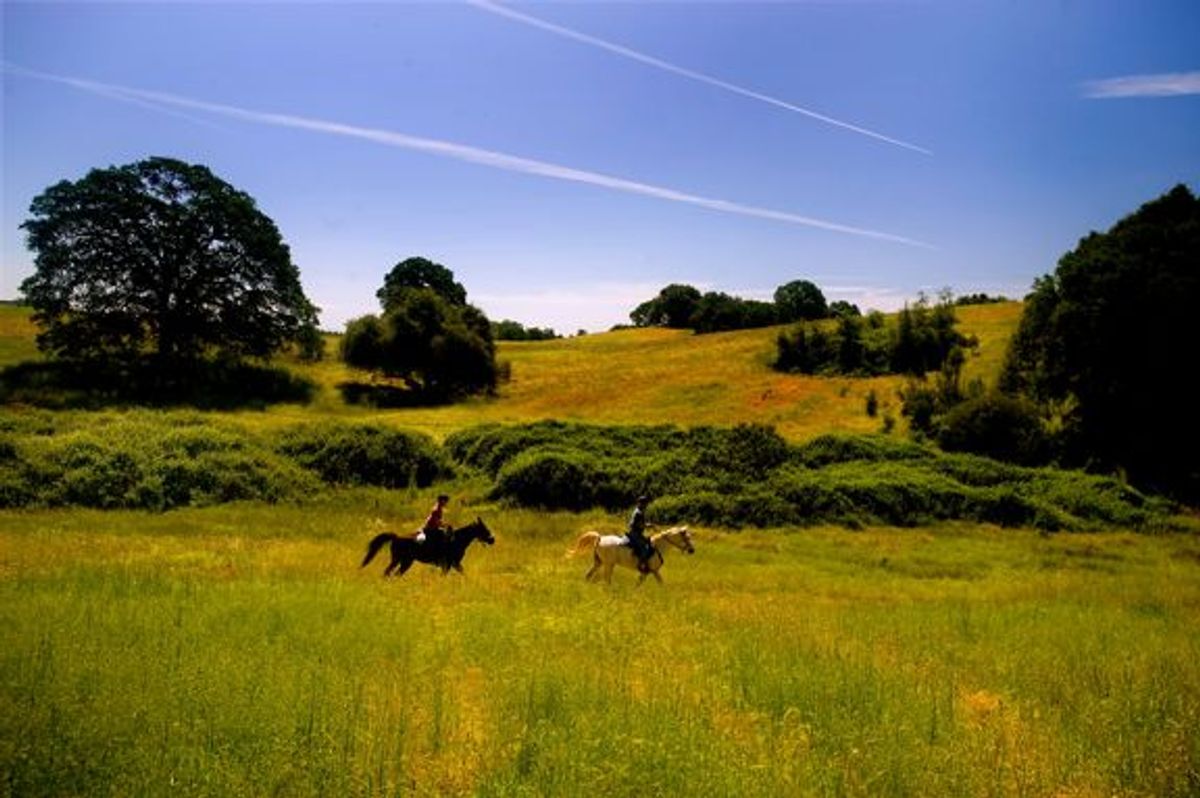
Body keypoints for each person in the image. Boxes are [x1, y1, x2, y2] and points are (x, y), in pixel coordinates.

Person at [416, 494, 451, 560]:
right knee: (443, 536)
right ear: (442, 501)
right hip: (431, 528)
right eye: (445, 501)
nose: (446, 502)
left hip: (432, 527)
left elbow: (438, 522)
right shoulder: (437, 509)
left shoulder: (439, 508)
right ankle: (438, 555)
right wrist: (444, 525)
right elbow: (436, 522)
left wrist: (444, 525)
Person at [626, 495, 654, 573]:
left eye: (646, 504)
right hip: (635, 533)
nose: (646, 505)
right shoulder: (639, 513)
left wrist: (646, 525)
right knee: (644, 548)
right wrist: (648, 525)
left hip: (636, 532)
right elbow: (637, 524)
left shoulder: (638, 511)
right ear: (641, 503)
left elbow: (640, 523)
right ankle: (640, 565)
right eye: (645, 504)